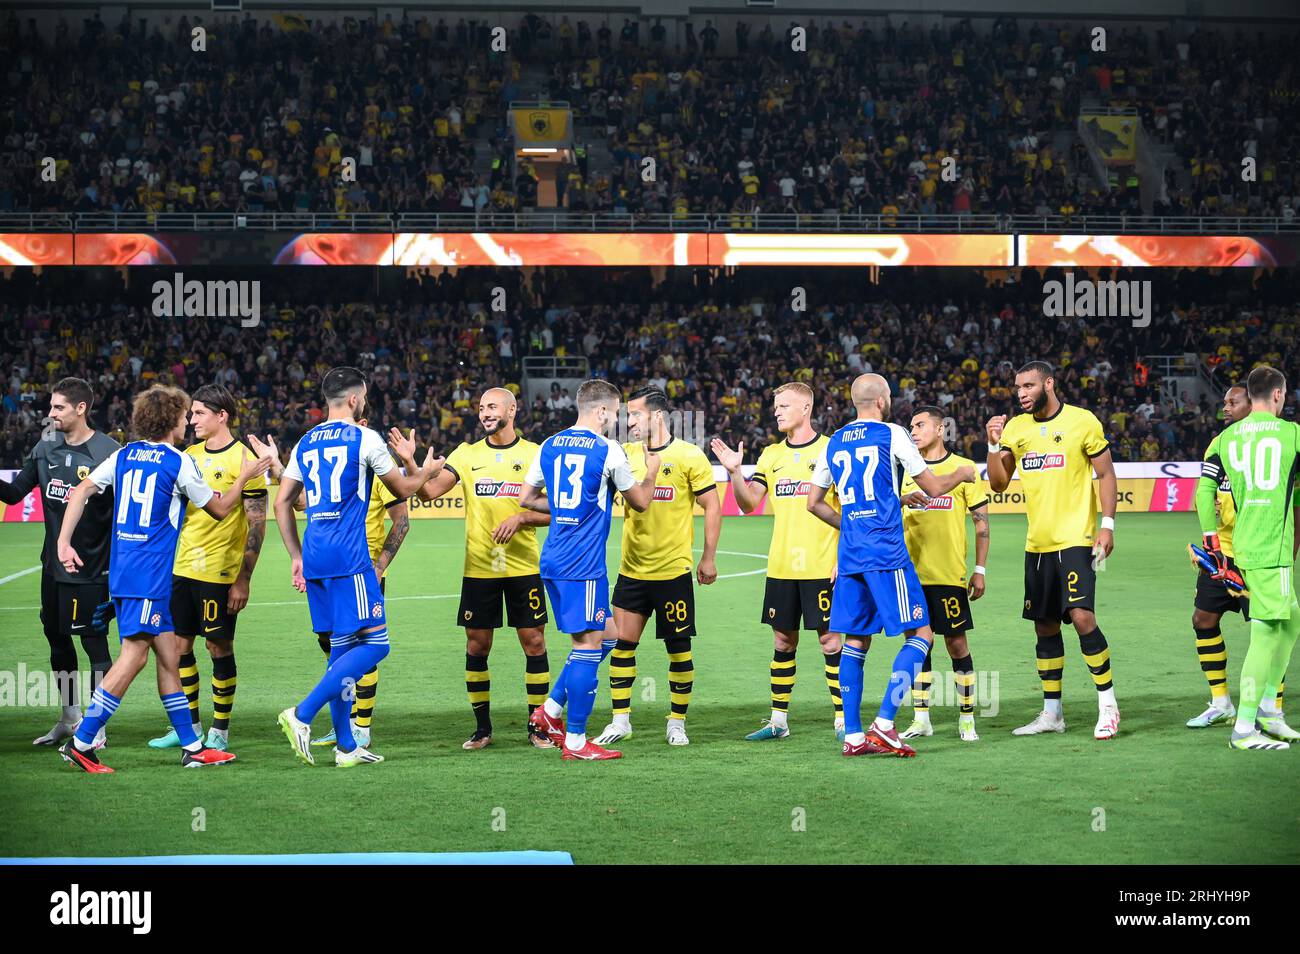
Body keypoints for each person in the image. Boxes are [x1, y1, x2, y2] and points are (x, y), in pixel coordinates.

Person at [55, 384, 270, 773]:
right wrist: (246, 476)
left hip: (126, 571)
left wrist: (63, 542)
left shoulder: (123, 455)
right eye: (185, 415)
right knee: (133, 657)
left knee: (170, 657)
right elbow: (221, 509)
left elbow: (81, 491)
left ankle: (192, 746)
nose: (188, 421)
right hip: (150, 576)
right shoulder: (177, 461)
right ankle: (83, 741)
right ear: (172, 420)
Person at [265, 367, 441, 768]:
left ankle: (347, 746)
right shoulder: (365, 437)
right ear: (356, 400)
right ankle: (302, 713)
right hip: (351, 558)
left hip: (315, 556)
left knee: (341, 651)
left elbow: (282, 503)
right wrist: (425, 470)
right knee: (377, 644)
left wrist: (295, 555)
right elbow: (405, 490)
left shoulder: (306, 441)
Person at [807, 374, 976, 757]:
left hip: (851, 556)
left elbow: (814, 503)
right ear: (882, 401)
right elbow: (934, 487)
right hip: (886, 553)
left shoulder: (833, 442)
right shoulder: (892, 434)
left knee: (855, 641)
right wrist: (963, 473)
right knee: (922, 633)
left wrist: (852, 525)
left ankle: (853, 736)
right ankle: (885, 722)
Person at [519, 379, 659, 760]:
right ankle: (577, 742)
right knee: (587, 645)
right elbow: (642, 502)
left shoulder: (549, 444)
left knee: (610, 636)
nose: (614, 420)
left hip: (552, 559)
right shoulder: (607, 450)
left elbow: (526, 498)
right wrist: (652, 470)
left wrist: (566, 508)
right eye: (614, 413)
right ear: (600, 411)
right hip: (582, 565)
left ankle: (548, 712)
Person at [986, 361, 1122, 740]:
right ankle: (1052, 713)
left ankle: (1108, 705)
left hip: (1077, 539)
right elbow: (998, 484)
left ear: (1049, 383)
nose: (1021, 393)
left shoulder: (1083, 421)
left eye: (1028, 386)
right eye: (1017, 388)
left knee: (1081, 616)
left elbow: (1106, 474)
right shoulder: (1016, 428)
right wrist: (994, 445)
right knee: (1045, 625)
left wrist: (1107, 526)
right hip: (1038, 544)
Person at [416, 387, 554, 750]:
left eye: (492, 406)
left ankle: (537, 727)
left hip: (523, 567)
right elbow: (429, 493)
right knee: (478, 646)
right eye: (481, 408)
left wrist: (523, 517)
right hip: (479, 568)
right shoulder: (466, 454)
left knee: (534, 642)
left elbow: (558, 508)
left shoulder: (536, 455)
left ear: (512, 409)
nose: (485, 412)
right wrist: (418, 469)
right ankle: (482, 729)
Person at [712, 382, 844, 742]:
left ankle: (842, 718)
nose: (776, 411)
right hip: (782, 567)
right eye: (776, 406)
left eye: (784, 405)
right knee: (783, 642)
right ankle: (778, 721)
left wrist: (843, 558)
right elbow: (748, 503)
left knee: (831, 642)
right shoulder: (771, 455)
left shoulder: (832, 450)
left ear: (806, 409)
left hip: (822, 565)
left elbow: (850, 509)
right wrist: (734, 472)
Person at [592, 386, 720, 748]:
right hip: (632, 570)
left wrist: (708, 556)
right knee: (622, 645)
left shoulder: (689, 456)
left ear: (658, 416)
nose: (627, 421)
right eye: (627, 414)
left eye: (634, 414)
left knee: (679, 649)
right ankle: (621, 721)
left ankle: (676, 722)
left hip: (673, 572)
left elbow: (712, 506)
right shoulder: (622, 454)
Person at [148, 384, 268, 752]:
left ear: (222, 416)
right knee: (179, 647)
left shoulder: (245, 461)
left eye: (199, 413)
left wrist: (243, 579)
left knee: (218, 646)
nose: (191, 420)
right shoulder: (188, 456)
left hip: (219, 572)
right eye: (191, 414)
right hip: (181, 569)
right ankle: (188, 727)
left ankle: (220, 729)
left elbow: (257, 523)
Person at [0, 377, 118, 748]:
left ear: (81, 408)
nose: (50, 414)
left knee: (94, 646)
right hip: (52, 568)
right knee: (57, 641)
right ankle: (70, 717)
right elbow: (17, 493)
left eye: (58, 408)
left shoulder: (108, 451)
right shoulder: (46, 445)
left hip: (92, 570)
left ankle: (96, 726)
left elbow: (121, 517)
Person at [1195, 366, 1300, 750]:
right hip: (1272, 550)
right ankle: (1244, 727)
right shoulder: (1292, 434)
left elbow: (1202, 495)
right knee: (1266, 634)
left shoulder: (1224, 440)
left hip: (1241, 545)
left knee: (1291, 623)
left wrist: (1210, 540)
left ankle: (1269, 711)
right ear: (1277, 395)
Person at [898, 407, 990, 742]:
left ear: (940, 428)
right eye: (911, 426)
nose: (914, 430)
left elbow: (982, 524)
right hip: (910, 575)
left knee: (956, 644)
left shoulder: (962, 469)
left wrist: (979, 570)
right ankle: (921, 718)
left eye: (920, 425)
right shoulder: (905, 470)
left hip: (949, 575)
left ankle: (967, 719)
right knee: (917, 644)